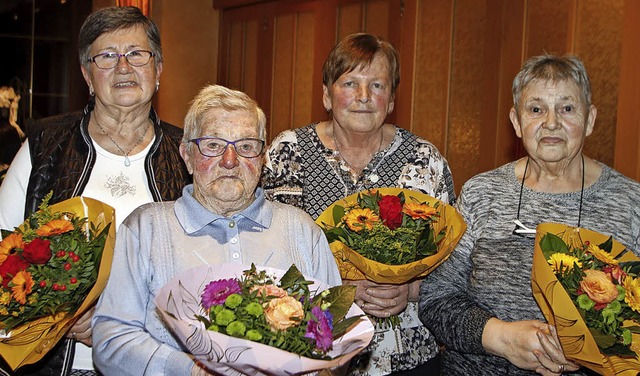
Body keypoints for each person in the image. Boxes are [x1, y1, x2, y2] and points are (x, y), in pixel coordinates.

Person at [91, 84, 342, 376]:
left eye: (246, 146)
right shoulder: (145, 229)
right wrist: (191, 371)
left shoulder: (302, 231)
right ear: (186, 154)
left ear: (263, 159)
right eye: (213, 145)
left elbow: (337, 334)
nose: (230, 161)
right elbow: (111, 340)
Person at [418, 54, 640, 375]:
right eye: (536, 109)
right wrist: (501, 337)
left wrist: (592, 352)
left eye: (567, 108)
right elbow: (436, 298)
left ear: (590, 119)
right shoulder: (482, 193)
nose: (551, 122)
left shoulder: (630, 203)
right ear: (517, 121)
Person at [0, 6, 190, 376]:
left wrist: (111, 313)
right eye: (106, 56)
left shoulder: (188, 154)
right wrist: (60, 312)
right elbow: (3, 247)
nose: (123, 67)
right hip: (55, 364)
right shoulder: (44, 145)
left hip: (155, 362)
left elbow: (209, 266)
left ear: (159, 70)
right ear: (87, 75)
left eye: (137, 54)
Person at [262, 33, 455, 376]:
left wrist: (410, 288)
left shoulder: (424, 161)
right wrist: (335, 285)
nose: (364, 97)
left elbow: (454, 266)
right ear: (326, 94)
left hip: (407, 357)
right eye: (350, 83)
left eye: (377, 86)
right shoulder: (289, 152)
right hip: (313, 353)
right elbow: (266, 250)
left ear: (392, 99)